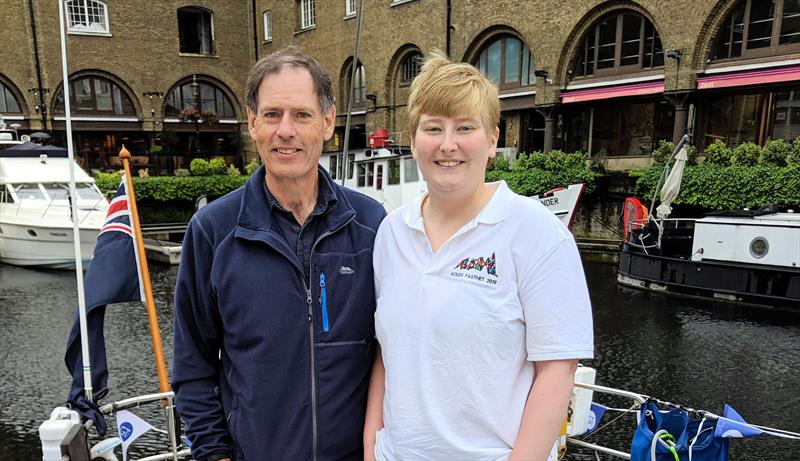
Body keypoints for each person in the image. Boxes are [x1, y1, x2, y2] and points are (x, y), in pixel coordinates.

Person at [364, 52, 594, 460]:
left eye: (465, 128)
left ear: (492, 140)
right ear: (414, 139)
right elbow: (387, 353)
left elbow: (557, 373)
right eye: (433, 128)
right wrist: (371, 445)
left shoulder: (538, 234)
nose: (447, 144)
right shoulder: (391, 233)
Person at [173, 46, 386, 461]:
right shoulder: (213, 232)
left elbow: (393, 349)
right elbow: (193, 364)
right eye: (272, 115)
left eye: (302, 115)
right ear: (252, 123)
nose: (285, 130)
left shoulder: (371, 225)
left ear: (327, 122)